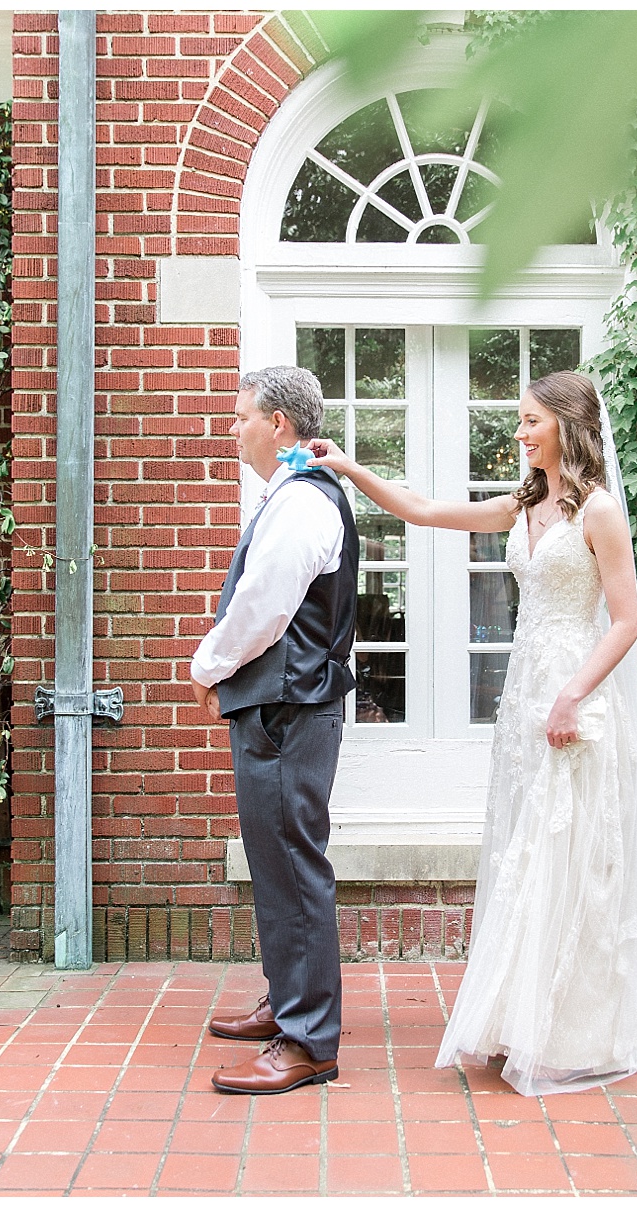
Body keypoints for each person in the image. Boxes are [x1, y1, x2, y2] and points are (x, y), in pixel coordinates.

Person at [310, 370, 637, 1096]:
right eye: (520, 420)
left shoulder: (600, 511)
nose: (520, 431)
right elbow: (424, 510)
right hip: (525, 696)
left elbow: (626, 622)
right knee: (525, 851)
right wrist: (349, 467)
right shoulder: (524, 503)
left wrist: (572, 695)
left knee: (572, 852)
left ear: (567, 423)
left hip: (575, 697)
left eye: (532, 420)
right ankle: (522, 1020)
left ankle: (575, 1033)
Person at [192, 366, 358, 1095]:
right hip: (281, 707)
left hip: (289, 709)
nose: (233, 429)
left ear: (279, 423)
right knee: (275, 862)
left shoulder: (302, 502)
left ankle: (309, 1039)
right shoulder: (294, 495)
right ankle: (288, 1000)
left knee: (292, 863)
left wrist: (207, 666)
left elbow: (263, 607)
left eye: (242, 416)